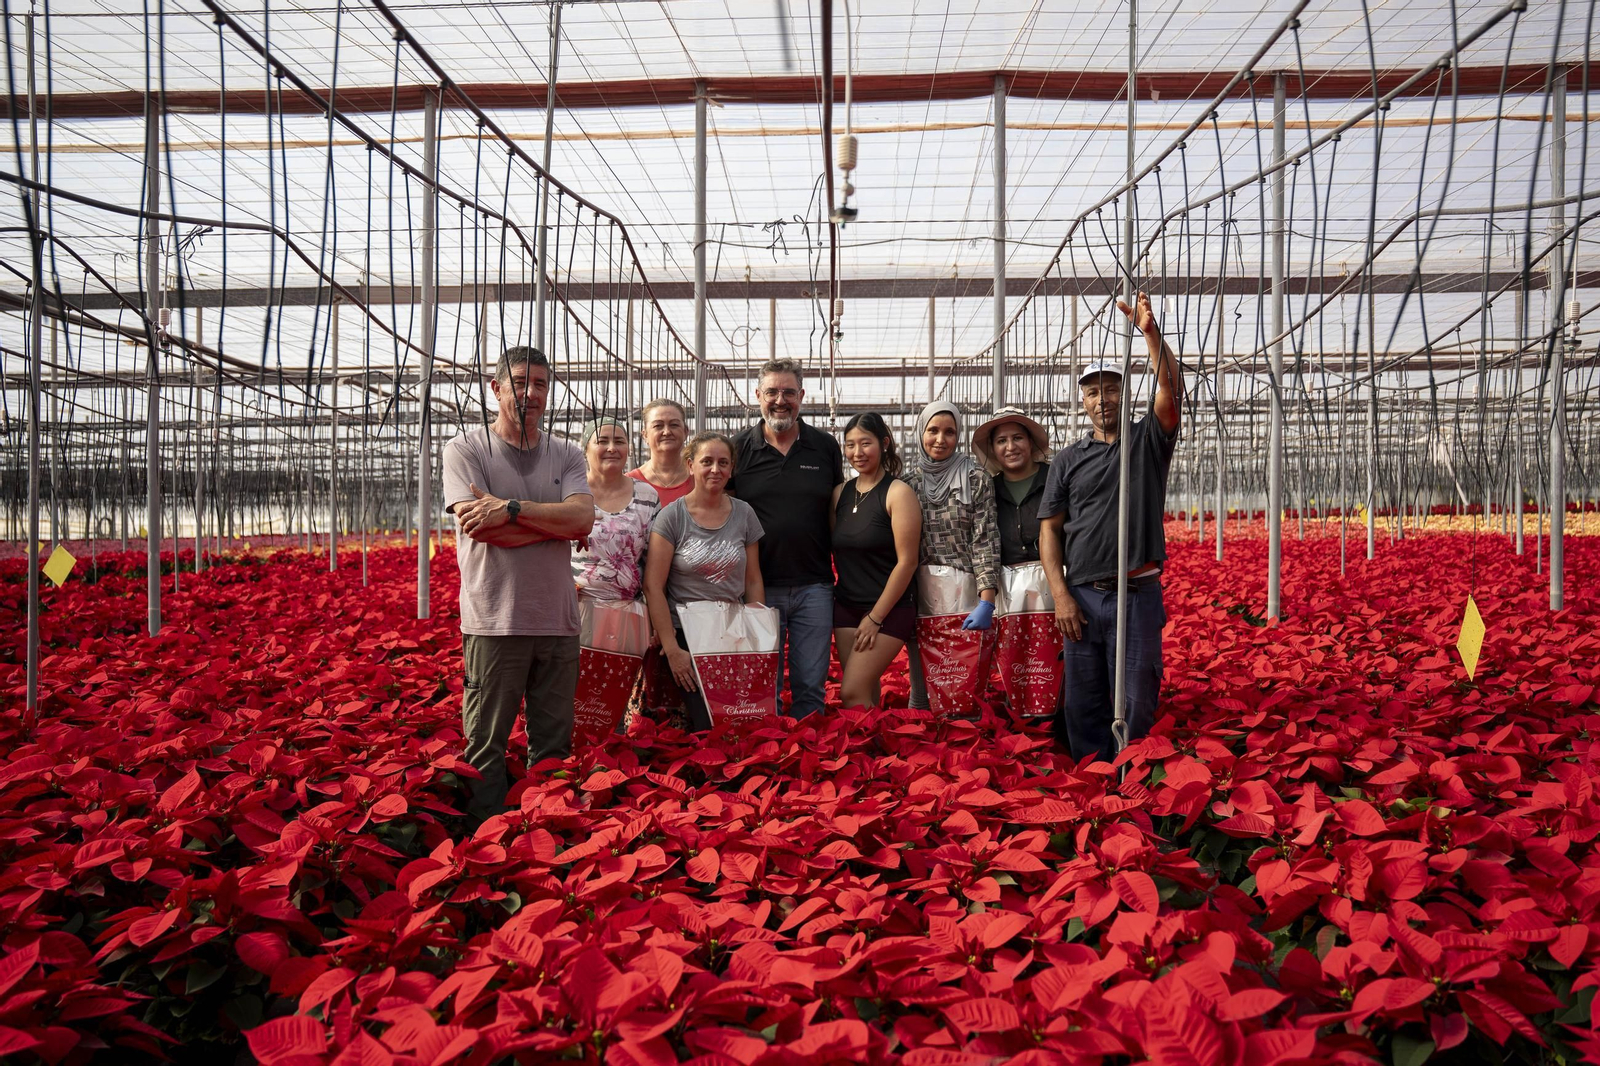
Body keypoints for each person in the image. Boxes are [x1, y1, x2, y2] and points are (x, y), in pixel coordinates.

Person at [443, 345, 595, 824]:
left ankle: (546, 833)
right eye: (520, 383)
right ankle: (485, 845)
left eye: (540, 384)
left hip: (558, 621)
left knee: (554, 743)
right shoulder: (465, 449)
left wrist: (510, 509)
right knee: (485, 743)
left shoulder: (568, 452)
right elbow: (480, 529)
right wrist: (554, 523)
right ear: (496, 388)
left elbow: (584, 519)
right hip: (494, 622)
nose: (530, 393)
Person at [1038, 291, 1184, 762]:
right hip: (1082, 597)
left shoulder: (1147, 440)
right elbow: (1050, 531)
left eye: (1112, 388)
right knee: (1084, 699)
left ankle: (1134, 779)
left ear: (1126, 392)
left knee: (1138, 694)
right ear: (1082, 400)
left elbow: (1170, 392)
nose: (1104, 399)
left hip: (1136, 594)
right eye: (1094, 391)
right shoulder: (1067, 460)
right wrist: (1060, 595)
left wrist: (1150, 333)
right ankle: (1093, 785)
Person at [727, 359, 843, 719]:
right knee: (764, 687)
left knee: (811, 686)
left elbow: (837, 509)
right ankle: (773, 760)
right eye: (772, 392)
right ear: (757, 396)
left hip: (815, 587)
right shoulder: (738, 449)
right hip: (759, 587)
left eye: (789, 392)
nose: (781, 400)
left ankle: (809, 765)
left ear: (802, 396)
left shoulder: (824, 447)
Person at [644, 431, 765, 732]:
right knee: (705, 724)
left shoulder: (744, 514)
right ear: (690, 465)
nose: (715, 469)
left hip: (732, 634)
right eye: (707, 461)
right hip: (688, 636)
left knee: (737, 722)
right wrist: (673, 649)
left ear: (731, 469)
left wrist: (757, 638)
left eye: (723, 463)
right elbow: (653, 587)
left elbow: (752, 580)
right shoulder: (672, 517)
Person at [904, 400, 1001, 710]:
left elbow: (984, 539)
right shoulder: (907, 485)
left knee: (962, 680)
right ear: (920, 432)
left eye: (950, 432)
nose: (940, 439)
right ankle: (919, 744)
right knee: (921, 684)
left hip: (965, 594)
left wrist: (986, 600)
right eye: (932, 430)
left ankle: (965, 750)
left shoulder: (976, 480)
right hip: (919, 593)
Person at [830, 412, 922, 711]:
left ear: (884, 444)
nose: (857, 452)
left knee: (851, 692)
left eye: (865, 443)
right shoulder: (840, 494)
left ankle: (875, 751)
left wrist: (875, 617)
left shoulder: (898, 493)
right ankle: (867, 754)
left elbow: (907, 562)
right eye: (850, 445)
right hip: (846, 605)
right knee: (865, 691)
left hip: (889, 607)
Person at [573, 416, 659, 603]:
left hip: (628, 610)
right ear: (585, 448)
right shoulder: (570, 491)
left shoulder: (647, 496)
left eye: (619, 441)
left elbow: (654, 565)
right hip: (574, 610)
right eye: (602, 441)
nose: (612, 448)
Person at [972, 407, 1051, 566]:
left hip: (1056, 582)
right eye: (1001, 441)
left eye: (1017, 438)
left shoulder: (1054, 479)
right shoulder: (988, 489)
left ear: (1030, 441)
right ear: (993, 449)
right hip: (1006, 586)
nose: (1010, 447)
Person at [629, 399, 693, 507]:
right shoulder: (631, 483)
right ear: (645, 435)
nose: (667, 432)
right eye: (658, 426)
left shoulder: (701, 479)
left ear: (686, 432)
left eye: (674, 425)